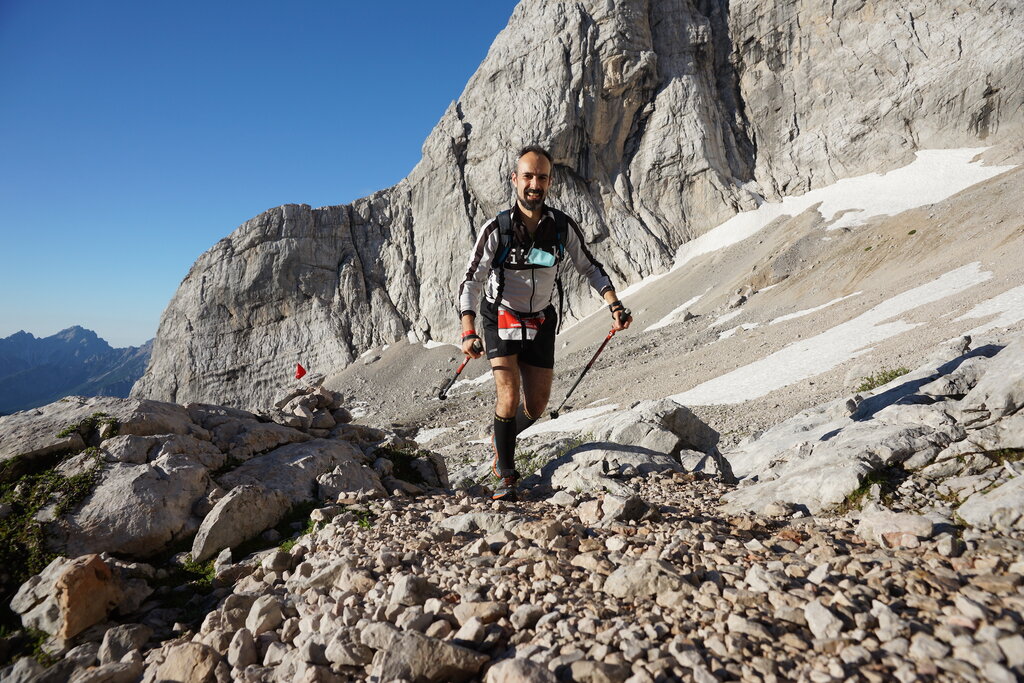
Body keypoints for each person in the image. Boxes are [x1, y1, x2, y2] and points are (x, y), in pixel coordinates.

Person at [458, 145, 632, 501]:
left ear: (550, 182)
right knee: (507, 395)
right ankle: (506, 476)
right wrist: (468, 329)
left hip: (540, 319)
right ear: (515, 180)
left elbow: (590, 266)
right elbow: (471, 280)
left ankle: (500, 435)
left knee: (536, 406)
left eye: (541, 177)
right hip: (500, 315)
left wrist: (614, 303)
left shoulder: (560, 226)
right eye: (528, 176)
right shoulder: (497, 229)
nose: (534, 184)